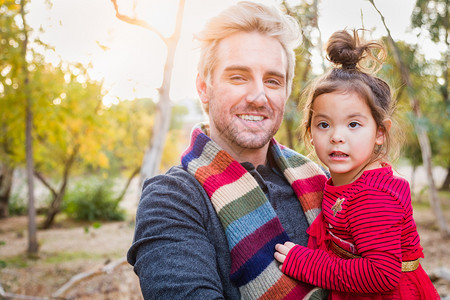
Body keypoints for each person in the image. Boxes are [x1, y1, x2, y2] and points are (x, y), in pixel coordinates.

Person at [127, 1, 330, 299]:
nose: (259, 96)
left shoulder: (322, 181)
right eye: (238, 76)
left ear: (285, 92)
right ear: (203, 87)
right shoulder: (172, 199)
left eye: (273, 80)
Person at [274, 29, 440, 299]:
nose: (337, 136)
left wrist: (305, 263)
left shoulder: (371, 196)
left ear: (379, 133)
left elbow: (381, 275)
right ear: (310, 133)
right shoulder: (349, 181)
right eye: (324, 124)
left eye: (353, 124)